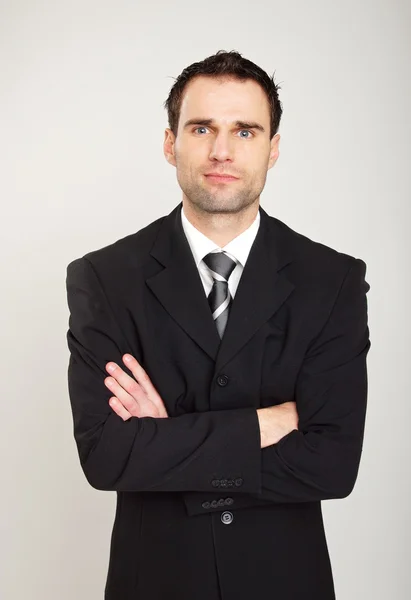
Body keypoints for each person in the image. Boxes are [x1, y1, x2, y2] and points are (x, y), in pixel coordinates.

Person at [65, 50, 371, 600]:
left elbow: (332, 465)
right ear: (170, 143)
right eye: (202, 127)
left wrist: (164, 437)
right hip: (154, 582)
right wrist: (263, 425)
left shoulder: (334, 281)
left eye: (246, 131)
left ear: (273, 148)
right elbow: (107, 455)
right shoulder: (104, 278)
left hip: (285, 583)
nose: (222, 151)